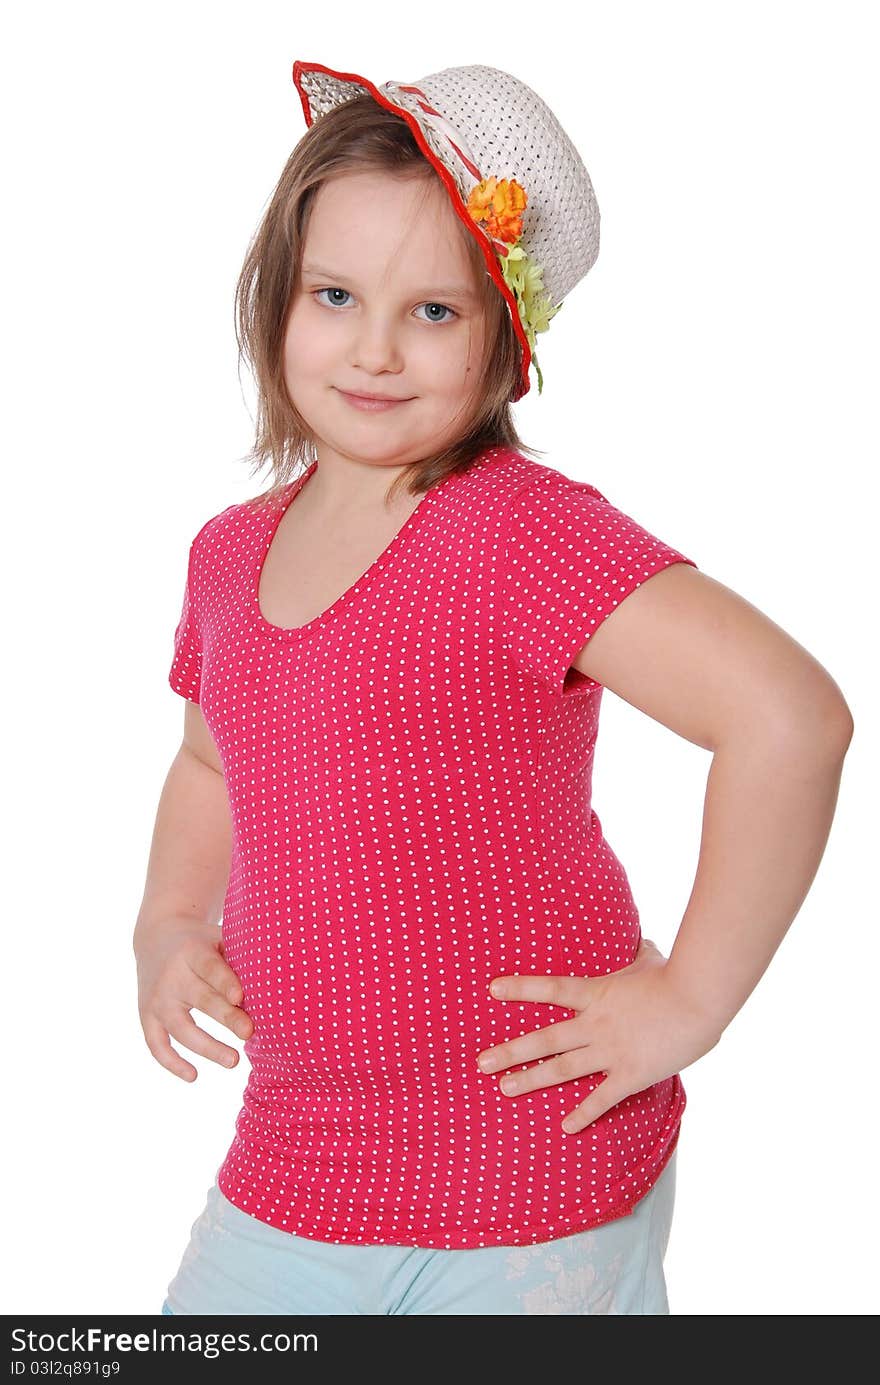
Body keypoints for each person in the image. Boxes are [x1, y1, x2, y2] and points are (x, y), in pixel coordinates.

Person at [134, 59, 853, 1317]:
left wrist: (689, 999)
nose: (372, 349)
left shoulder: (519, 537)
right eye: (336, 295)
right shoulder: (227, 552)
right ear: (276, 300)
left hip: (534, 1175)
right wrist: (168, 918)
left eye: (433, 313)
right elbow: (212, 759)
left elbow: (787, 716)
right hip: (300, 1167)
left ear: (505, 339)